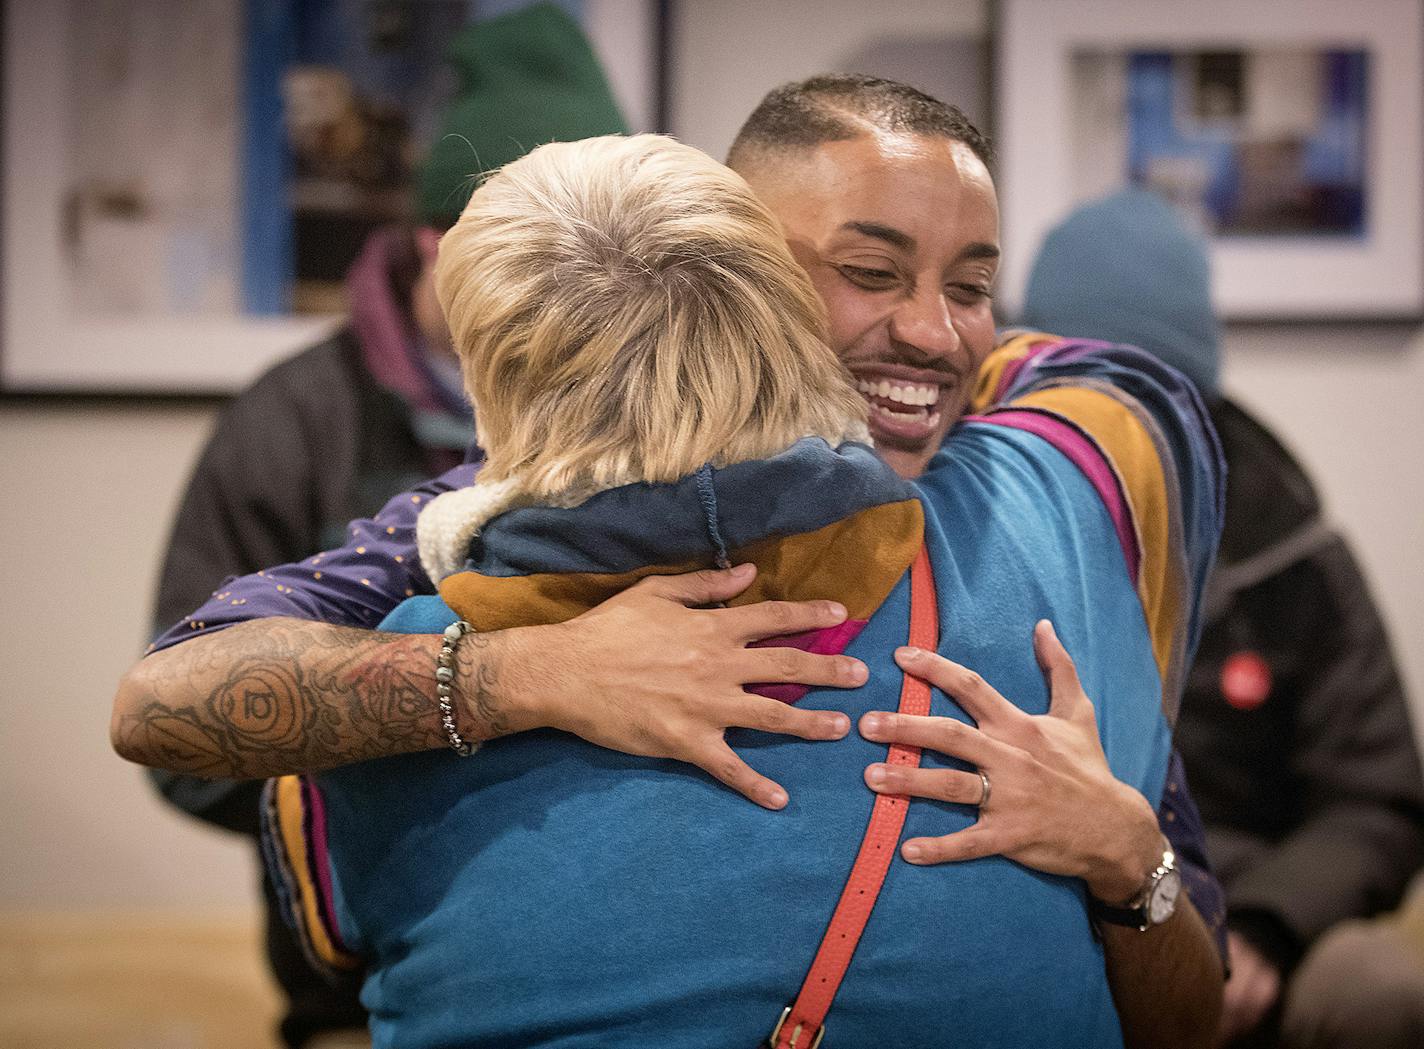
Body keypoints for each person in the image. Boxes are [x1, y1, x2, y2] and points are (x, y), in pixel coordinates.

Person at [114, 77, 1225, 1045]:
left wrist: (1129, 854)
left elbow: (1188, 1012)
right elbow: (164, 700)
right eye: (866, 271)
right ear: (733, 275)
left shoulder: (1051, 517)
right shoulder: (472, 542)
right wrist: (537, 672)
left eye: (971, 286)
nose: (935, 333)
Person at [145, 6, 629, 1046]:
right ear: (431, 240)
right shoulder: (290, 422)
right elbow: (182, 740)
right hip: (355, 996)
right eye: (519, 256)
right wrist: (436, 750)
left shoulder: (646, 428)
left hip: (608, 984)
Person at [1019, 187, 1424, 1048]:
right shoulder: (973, 513)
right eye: (1086, 392)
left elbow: (1378, 797)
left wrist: (1268, 926)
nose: (1118, 428)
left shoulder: (1296, 554)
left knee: (1382, 993)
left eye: (1151, 394)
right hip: (1035, 885)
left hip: (1251, 892)